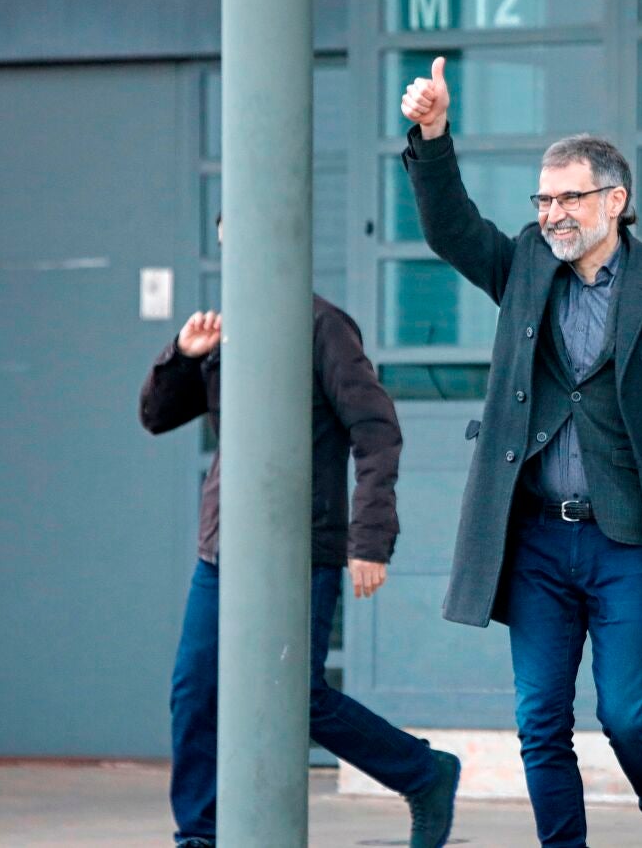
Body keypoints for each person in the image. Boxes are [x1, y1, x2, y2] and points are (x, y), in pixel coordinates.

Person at [398, 57, 642, 848]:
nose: (552, 214)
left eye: (569, 198)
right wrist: (433, 135)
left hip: (627, 539)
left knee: (627, 713)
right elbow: (449, 228)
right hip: (537, 539)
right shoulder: (523, 265)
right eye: (543, 200)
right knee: (540, 719)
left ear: (615, 200)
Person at [139, 214, 460, 848]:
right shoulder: (225, 331)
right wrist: (182, 355)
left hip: (301, 550)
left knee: (297, 697)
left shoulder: (323, 326)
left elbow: (376, 431)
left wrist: (370, 539)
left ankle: (423, 773)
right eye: (227, 246)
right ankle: (199, 836)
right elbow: (156, 416)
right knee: (195, 693)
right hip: (223, 550)